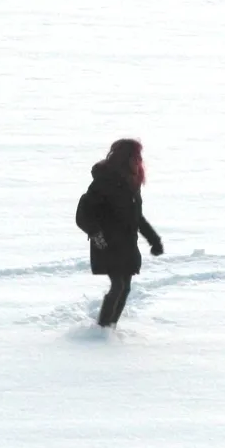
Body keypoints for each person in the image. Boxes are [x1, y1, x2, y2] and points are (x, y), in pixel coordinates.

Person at [75, 138, 163, 328]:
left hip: (126, 243)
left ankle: (110, 327)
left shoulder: (132, 182)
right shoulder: (104, 181)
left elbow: (137, 217)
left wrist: (153, 240)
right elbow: (84, 212)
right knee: (118, 286)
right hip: (107, 242)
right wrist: (96, 234)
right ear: (126, 157)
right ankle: (102, 328)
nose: (139, 160)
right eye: (136, 156)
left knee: (125, 287)